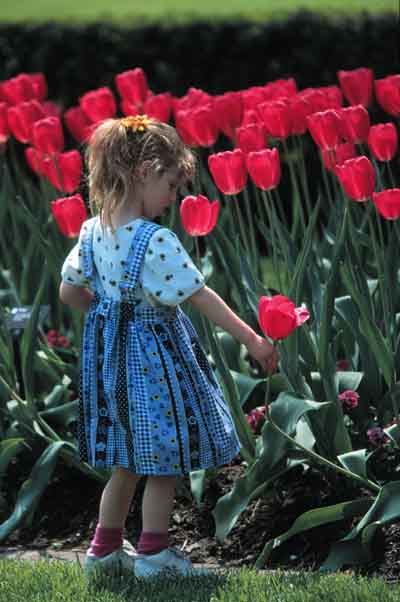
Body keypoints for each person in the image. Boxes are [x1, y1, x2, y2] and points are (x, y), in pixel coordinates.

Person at [59, 115, 279, 579]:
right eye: (171, 184)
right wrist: (254, 340)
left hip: (110, 364)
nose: (175, 197)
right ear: (144, 172)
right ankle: (155, 556)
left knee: (125, 460)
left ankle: (103, 550)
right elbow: (199, 295)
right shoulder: (154, 239)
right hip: (153, 363)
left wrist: (107, 310)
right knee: (163, 460)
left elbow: (69, 292)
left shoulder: (92, 230)